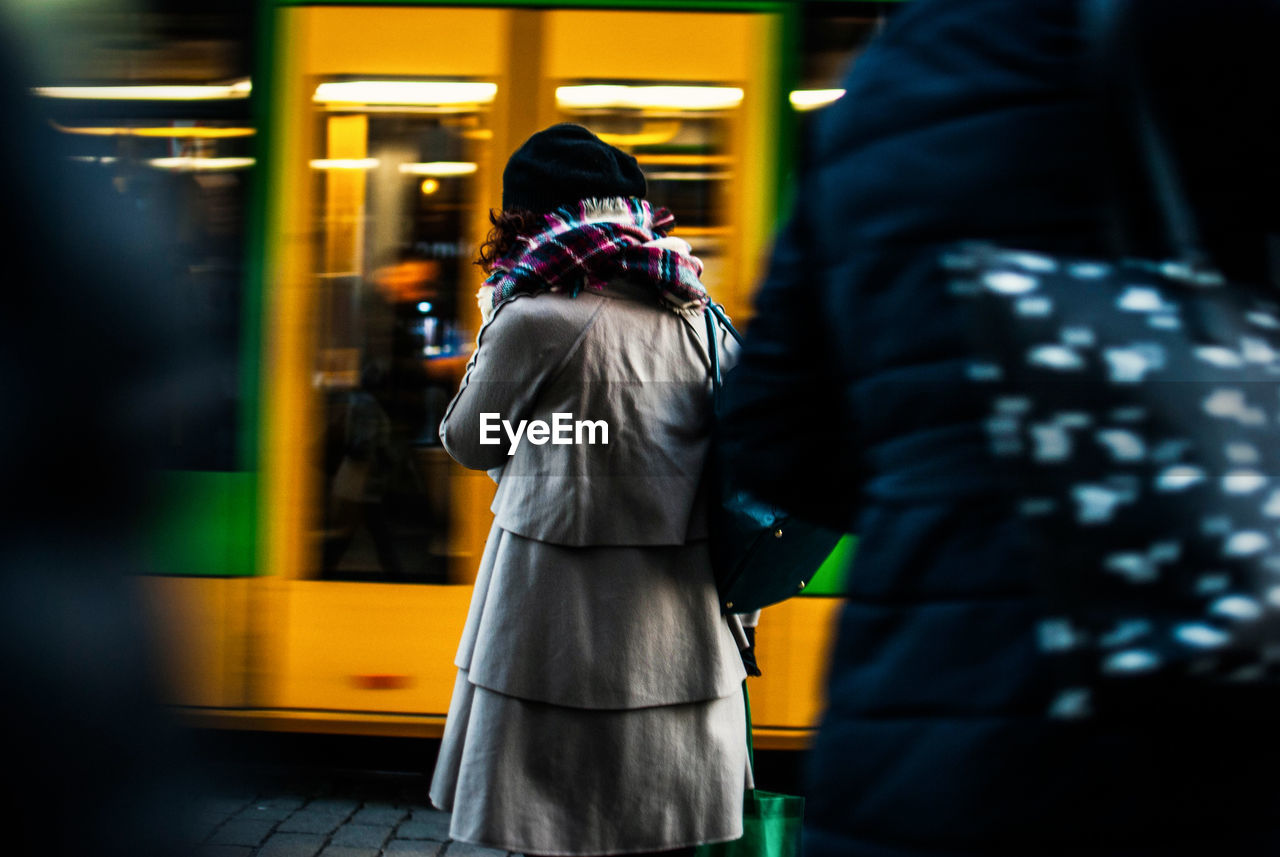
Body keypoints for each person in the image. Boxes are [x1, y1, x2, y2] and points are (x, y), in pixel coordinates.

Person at [718, 1, 1280, 855]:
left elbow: (773, 434)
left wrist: (954, 475)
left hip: (924, 735)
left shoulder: (896, 72)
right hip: (1208, 740)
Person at [428, 123, 750, 857]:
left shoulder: (534, 319)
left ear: (526, 222)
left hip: (553, 630)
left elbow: (469, 441)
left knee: (557, 826)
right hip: (682, 635)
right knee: (659, 830)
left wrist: (545, 429)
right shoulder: (706, 320)